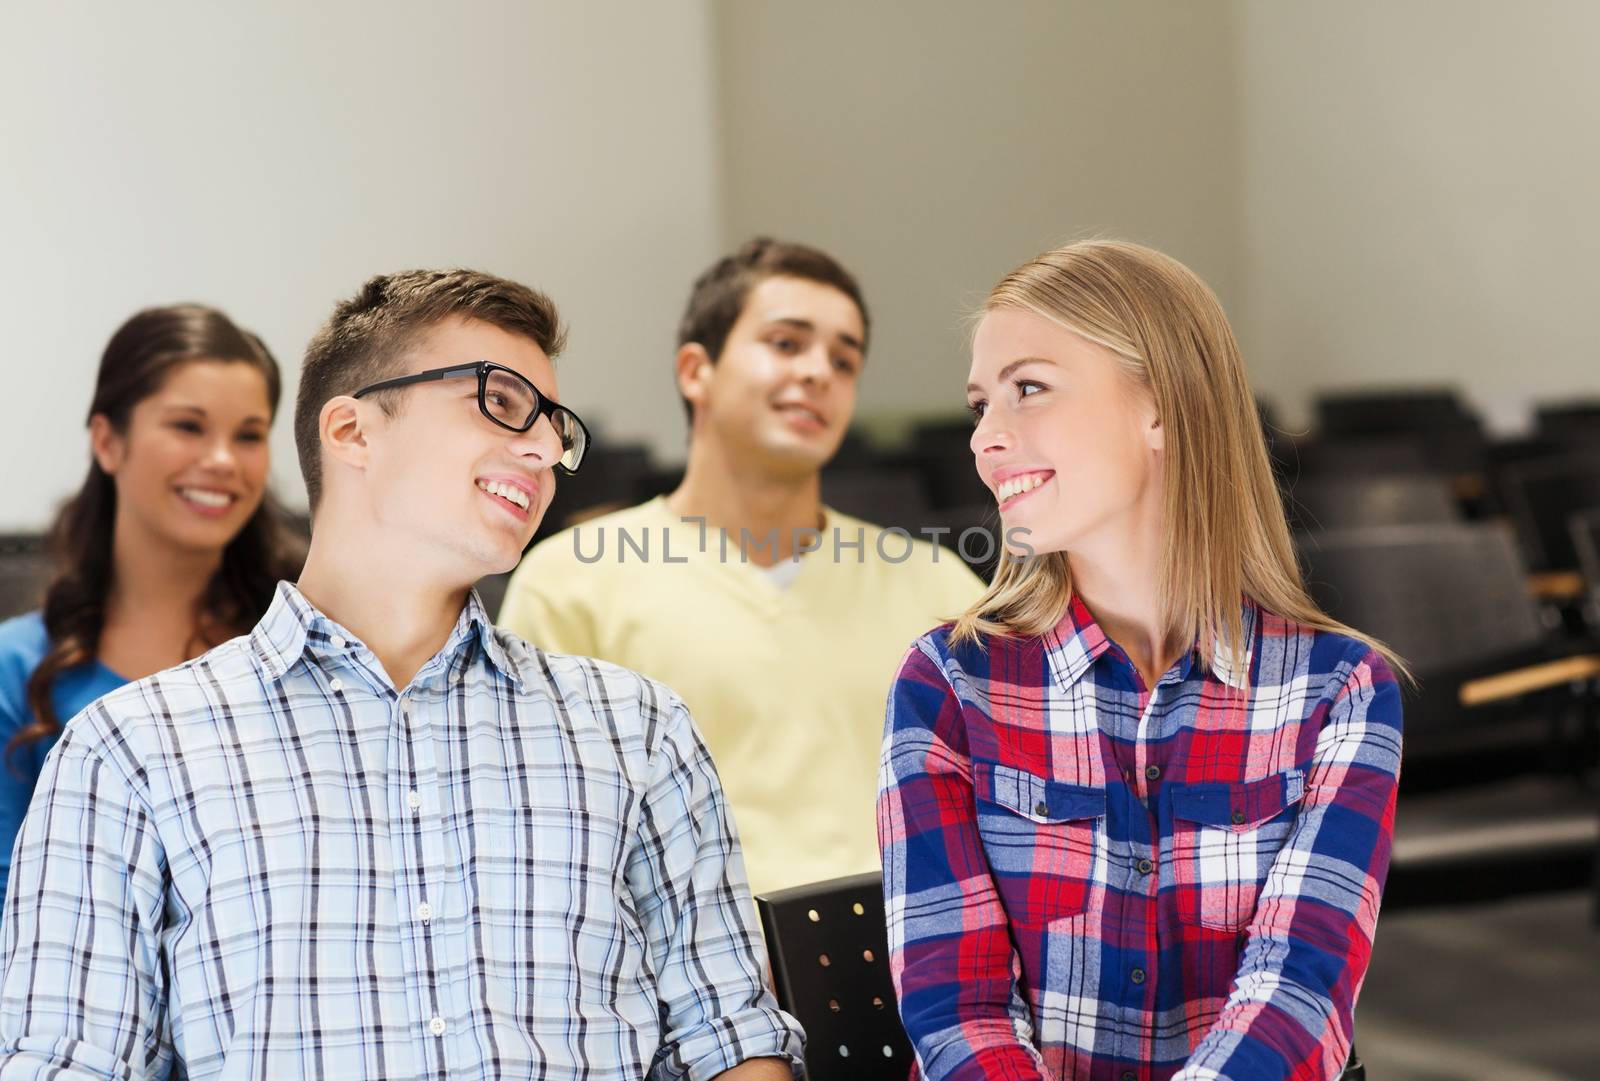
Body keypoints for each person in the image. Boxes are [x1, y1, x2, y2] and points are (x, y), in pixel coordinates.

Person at [0, 269, 801, 1080]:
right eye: (501, 401)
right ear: (350, 431)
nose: (545, 448)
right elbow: (66, 1061)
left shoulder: (639, 728)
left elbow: (730, 1040)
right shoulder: (128, 750)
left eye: (557, 426)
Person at [878, 241, 1405, 1081]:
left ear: (1161, 406)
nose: (986, 438)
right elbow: (958, 1010)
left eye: (1028, 388)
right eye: (981, 403)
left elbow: (1297, 996)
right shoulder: (949, 683)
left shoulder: (1340, 689)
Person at [499, 238, 983, 897]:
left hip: (917, 975)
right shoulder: (572, 582)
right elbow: (547, 844)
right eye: (787, 343)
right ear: (696, 369)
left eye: (845, 359)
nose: (820, 371)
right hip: (691, 984)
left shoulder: (939, 583)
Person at [0, 304, 299, 905]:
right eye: (189, 426)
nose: (222, 460)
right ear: (108, 442)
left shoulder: (301, 648)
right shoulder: (16, 667)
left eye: (248, 435)